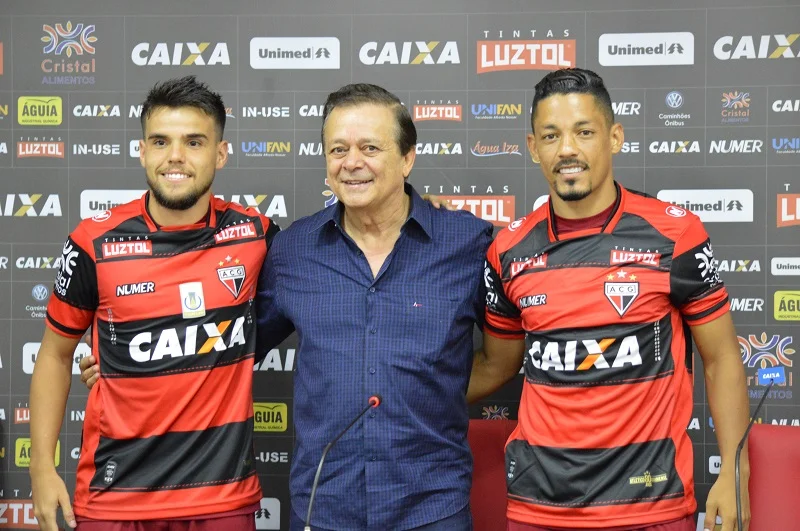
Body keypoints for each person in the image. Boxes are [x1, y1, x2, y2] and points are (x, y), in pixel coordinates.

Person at [466, 68, 750, 531]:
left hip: (650, 505)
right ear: (534, 147)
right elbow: (497, 366)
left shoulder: (675, 233)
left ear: (614, 137)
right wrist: (406, 394)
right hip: (539, 508)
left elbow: (720, 359)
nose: (568, 150)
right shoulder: (507, 249)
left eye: (584, 132)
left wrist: (735, 472)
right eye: (551, 136)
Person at [30, 75, 277, 531]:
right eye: (160, 141)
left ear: (220, 154)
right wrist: (42, 467)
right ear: (142, 151)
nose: (175, 157)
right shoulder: (93, 242)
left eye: (194, 142)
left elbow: (337, 261)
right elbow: (54, 354)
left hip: (222, 498)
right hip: (115, 498)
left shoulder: (257, 234)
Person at [255, 83, 493, 530]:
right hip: (323, 509)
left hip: (432, 508)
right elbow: (229, 348)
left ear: (407, 158)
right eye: (338, 149)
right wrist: (125, 364)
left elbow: (505, 358)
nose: (352, 163)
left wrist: (427, 391)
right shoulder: (291, 252)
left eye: (370, 147)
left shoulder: (468, 243)